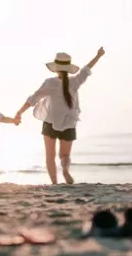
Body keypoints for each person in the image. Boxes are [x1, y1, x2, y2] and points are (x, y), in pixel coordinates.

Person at [15, 47, 105, 184]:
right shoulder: (75, 81)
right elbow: (86, 69)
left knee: (50, 156)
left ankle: (54, 183)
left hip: (50, 122)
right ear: (68, 68)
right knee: (65, 155)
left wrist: (19, 112)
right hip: (69, 122)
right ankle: (65, 170)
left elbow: (33, 99)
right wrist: (98, 56)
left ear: (56, 68)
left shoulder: (50, 83)